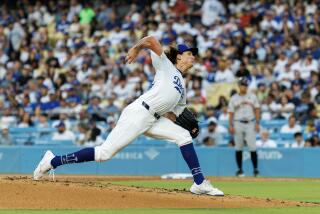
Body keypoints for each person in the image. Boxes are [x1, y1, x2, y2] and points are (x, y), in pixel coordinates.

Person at [33, 35, 224, 196]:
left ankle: (199, 183)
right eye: (190, 54)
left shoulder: (181, 84)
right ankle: (52, 161)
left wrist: (188, 125)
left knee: (182, 136)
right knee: (104, 153)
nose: (193, 58)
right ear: (179, 56)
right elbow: (151, 40)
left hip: (153, 118)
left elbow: (176, 113)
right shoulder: (165, 64)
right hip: (139, 113)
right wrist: (135, 48)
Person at [228, 77, 260, 177]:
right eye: (242, 85)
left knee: (252, 146)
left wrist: (257, 123)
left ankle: (255, 170)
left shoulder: (252, 96)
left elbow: (257, 109)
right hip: (238, 123)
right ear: (239, 86)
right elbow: (231, 112)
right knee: (238, 147)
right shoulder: (234, 98)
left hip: (250, 122)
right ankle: (240, 170)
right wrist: (230, 125)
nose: (244, 87)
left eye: (245, 85)